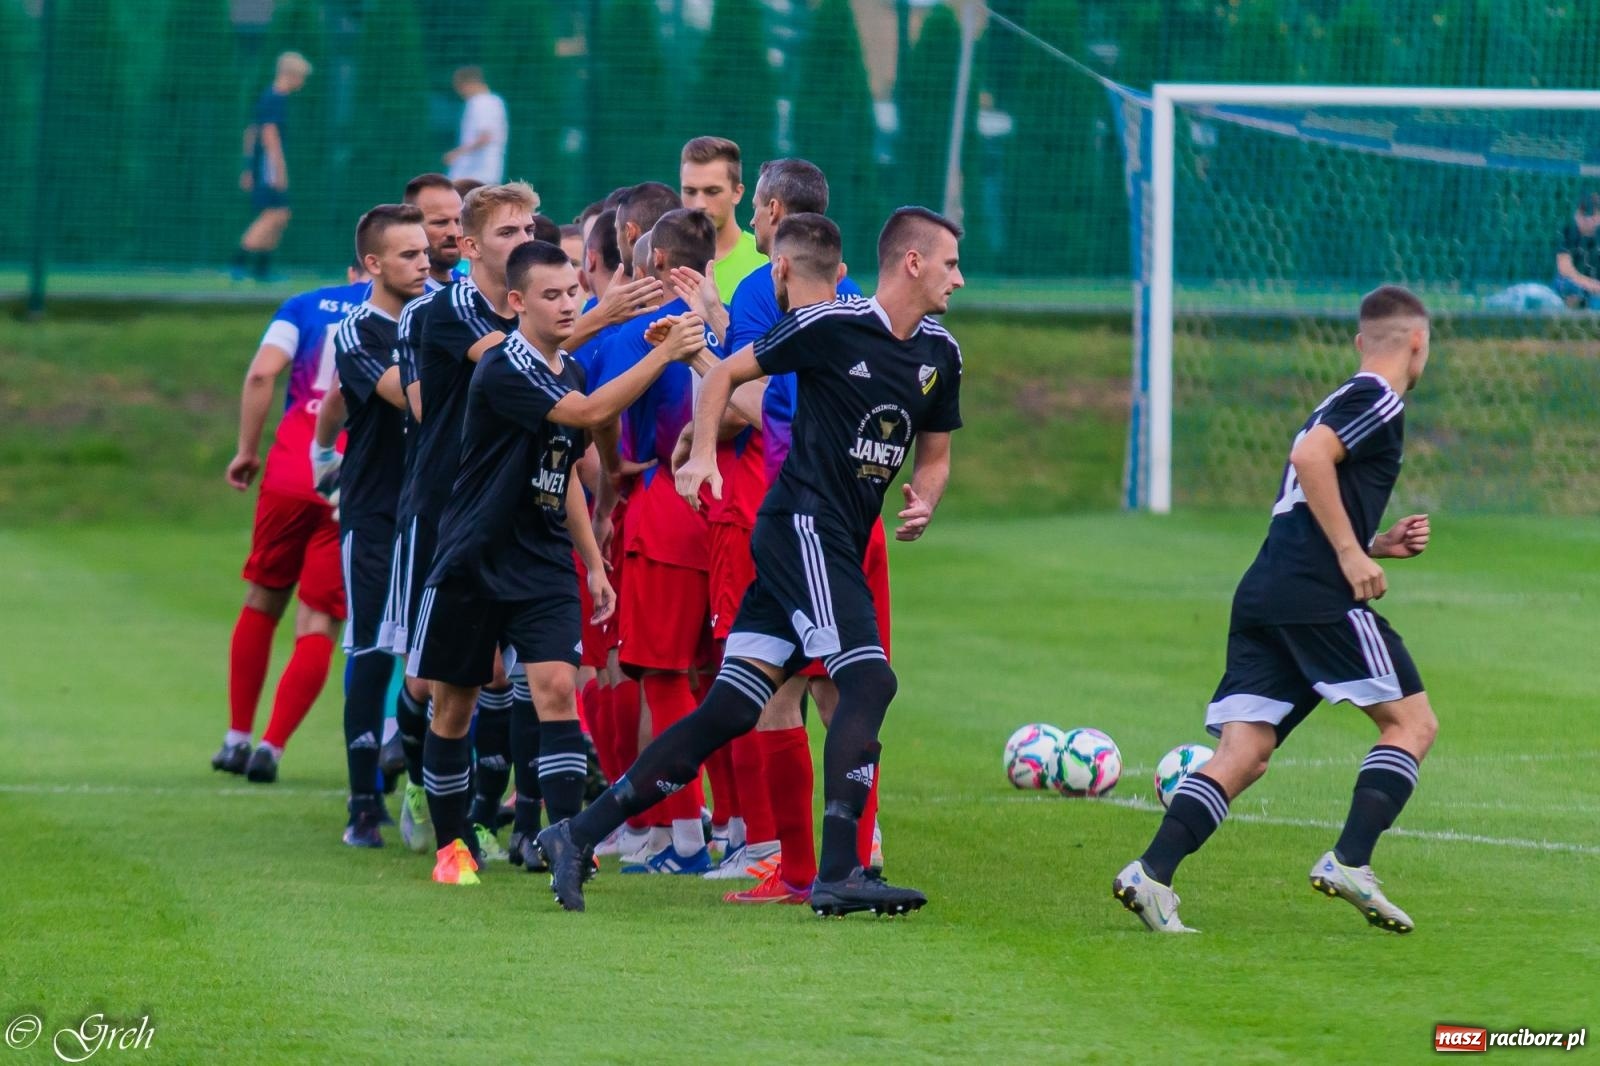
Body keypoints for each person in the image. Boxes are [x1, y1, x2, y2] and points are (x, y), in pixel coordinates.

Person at [536, 207, 966, 916]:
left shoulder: (941, 354)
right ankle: (839, 873)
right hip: (801, 525)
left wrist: (925, 496)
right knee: (869, 682)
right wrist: (702, 453)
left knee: (731, 707)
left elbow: (937, 453)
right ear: (913, 263)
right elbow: (726, 372)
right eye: (951, 263)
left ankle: (578, 834)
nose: (961, 277)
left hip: (834, 535)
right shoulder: (831, 323)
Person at [1112, 285, 1437, 935]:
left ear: (1358, 342)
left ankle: (1150, 875)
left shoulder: (1341, 400)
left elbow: (1301, 498)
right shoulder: (1378, 397)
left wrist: (1376, 545)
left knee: (1246, 752)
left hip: (1267, 590)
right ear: (1419, 344)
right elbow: (1309, 459)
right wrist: (1351, 557)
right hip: (1317, 594)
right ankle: (1351, 860)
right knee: (1412, 724)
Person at [411, 239, 709, 886]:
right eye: (553, 295)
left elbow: (565, 469)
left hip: (542, 557)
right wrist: (666, 351)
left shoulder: (566, 369)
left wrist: (594, 562)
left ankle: (570, 843)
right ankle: (451, 844)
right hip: (475, 553)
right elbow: (591, 414)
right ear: (517, 303)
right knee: (454, 706)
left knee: (555, 693)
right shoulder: (504, 369)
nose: (570, 304)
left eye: (575, 291)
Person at [587, 208, 722, 874]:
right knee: (722, 679)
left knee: (662, 680)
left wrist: (612, 475)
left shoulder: (638, 330)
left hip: (662, 510)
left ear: (658, 261)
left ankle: (681, 839)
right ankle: (738, 826)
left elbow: (598, 408)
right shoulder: (728, 322)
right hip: (724, 507)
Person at [215, 262, 367, 783]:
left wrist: (246, 451)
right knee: (320, 621)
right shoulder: (404, 314)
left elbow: (261, 371)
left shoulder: (303, 306)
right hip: (351, 476)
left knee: (263, 596)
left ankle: (236, 737)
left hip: (289, 470)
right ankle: (272, 747)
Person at [310, 205, 430, 846]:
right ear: (374, 265)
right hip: (379, 510)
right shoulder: (360, 330)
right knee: (373, 647)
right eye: (408, 255)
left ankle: (425, 785)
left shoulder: (443, 309)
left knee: (437, 653)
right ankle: (363, 802)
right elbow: (413, 397)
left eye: (425, 251)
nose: (423, 263)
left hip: (438, 510)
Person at [233, 52, 312, 281]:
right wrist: (279, 171)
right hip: (269, 167)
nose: (302, 82)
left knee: (281, 214)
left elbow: (250, 132)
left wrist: (247, 167)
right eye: (301, 77)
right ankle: (238, 262)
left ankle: (261, 269)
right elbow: (269, 136)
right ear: (291, 75)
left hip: (261, 166)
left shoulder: (270, 97)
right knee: (272, 215)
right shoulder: (275, 98)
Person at [678, 136, 767, 295]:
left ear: (737, 193)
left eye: (712, 191)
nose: (699, 204)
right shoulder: (660, 259)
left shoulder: (765, 261)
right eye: (690, 191)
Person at [444, 67, 508, 185]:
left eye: (459, 87)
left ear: (469, 84)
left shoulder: (480, 102)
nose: (459, 92)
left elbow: (485, 137)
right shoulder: (495, 101)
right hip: (487, 172)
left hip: (473, 173)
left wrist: (457, 153)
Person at [402, 173, 464, 290]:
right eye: (440, 222)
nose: (454, 233)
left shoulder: (470, 287)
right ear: (410, 224)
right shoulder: (395, 295)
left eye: (458, 221)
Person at [614, 182, 683, 273]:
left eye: (617, 229)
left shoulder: (612, 286)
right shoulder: (700, 281)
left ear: (630, 232)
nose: (617, 246)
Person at [1553, 191, 1600, 309]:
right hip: (1574, 283)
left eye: (1592, 214)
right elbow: (1565, 270)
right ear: (1576, 215)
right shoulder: (1568, 233)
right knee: (1564, 284)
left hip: (1596, 287)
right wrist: (1591, 285)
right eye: (1584, 214)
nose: (1588, 220)